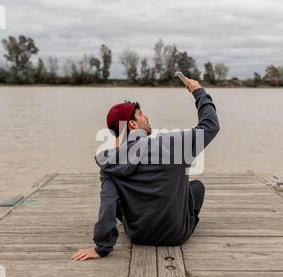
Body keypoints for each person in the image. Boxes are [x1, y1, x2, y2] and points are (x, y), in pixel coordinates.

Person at [72, 78, 220, 261]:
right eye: (141, 114)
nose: (147, 117)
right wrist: (198, 91)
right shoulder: (174, 145)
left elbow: (108, 204)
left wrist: (102, 247)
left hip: (138, 236)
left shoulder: (110, 162)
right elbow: (210, 126)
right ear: (133, 124)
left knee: (117, 191)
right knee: (196, 187)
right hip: (176, 235)